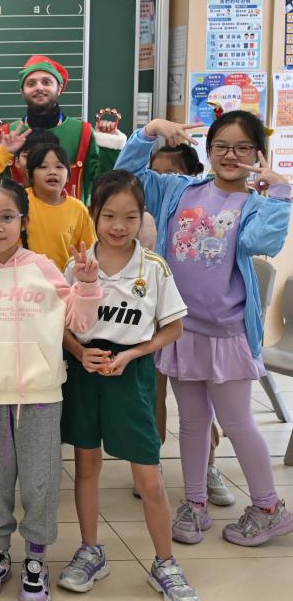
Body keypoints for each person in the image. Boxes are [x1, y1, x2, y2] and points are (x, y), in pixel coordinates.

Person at [115, 113, 293, 547]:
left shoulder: (255, 204)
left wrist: (280, 192)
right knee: (193, 422)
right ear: (207, 150)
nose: (231, 155)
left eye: (242, 147)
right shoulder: (180, 190)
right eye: (221, 146)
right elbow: (126, 179)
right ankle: (194, 503)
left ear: (257, 153)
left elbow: (262, 243)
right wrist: (149, 133)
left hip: (228, 332)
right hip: (182, 328)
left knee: (237, 422)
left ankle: (269, 507)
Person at [58, 171, 199, 600]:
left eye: (130, 217)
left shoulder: (153, 267)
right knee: (86, 466)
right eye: (109, 216)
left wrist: (133, 354)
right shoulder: (77, 265)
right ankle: (90, 551)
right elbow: (60, 323)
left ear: (143, 218)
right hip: (84, 372)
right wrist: (80, 352)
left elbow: (173, 328)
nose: (119, 226)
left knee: (148, 474)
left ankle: (165, 563)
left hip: (132, 374)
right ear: (94, 214)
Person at [0, 178, 102, 601]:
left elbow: (80, 322)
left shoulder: (41, 267)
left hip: (41, 396)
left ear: (23, 221)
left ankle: (37, 558)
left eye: (7, 217)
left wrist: (87, 285)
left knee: (41, 481)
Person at [144, 144, 232, 506]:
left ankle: (209, 466)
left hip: (193, 321)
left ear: (191, 177)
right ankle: (151, 465)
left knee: (198, 402)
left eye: (171, 173)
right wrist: (148, 134)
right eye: (156, 173)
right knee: (152, 396)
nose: (162, 180)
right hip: (152, 318)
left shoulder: (202, 213)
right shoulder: (144, 212)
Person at [0, 55, 125, 201]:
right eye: (31, 83)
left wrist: (108, 147)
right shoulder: (7, 134)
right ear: (22, 92)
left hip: (72, 216)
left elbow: (104, 184)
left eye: (46, 82)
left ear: (59, 88)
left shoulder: (82, 132)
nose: (39, 87)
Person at [24, 142, 97, 270]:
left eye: (59, 166)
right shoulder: (19, 201)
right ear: (29, 174)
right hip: (23, 277)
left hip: (64, 279)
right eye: (43, 167)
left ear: (68, 175)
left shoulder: (78, 209)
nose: (52, 172)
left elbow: (90, 252)